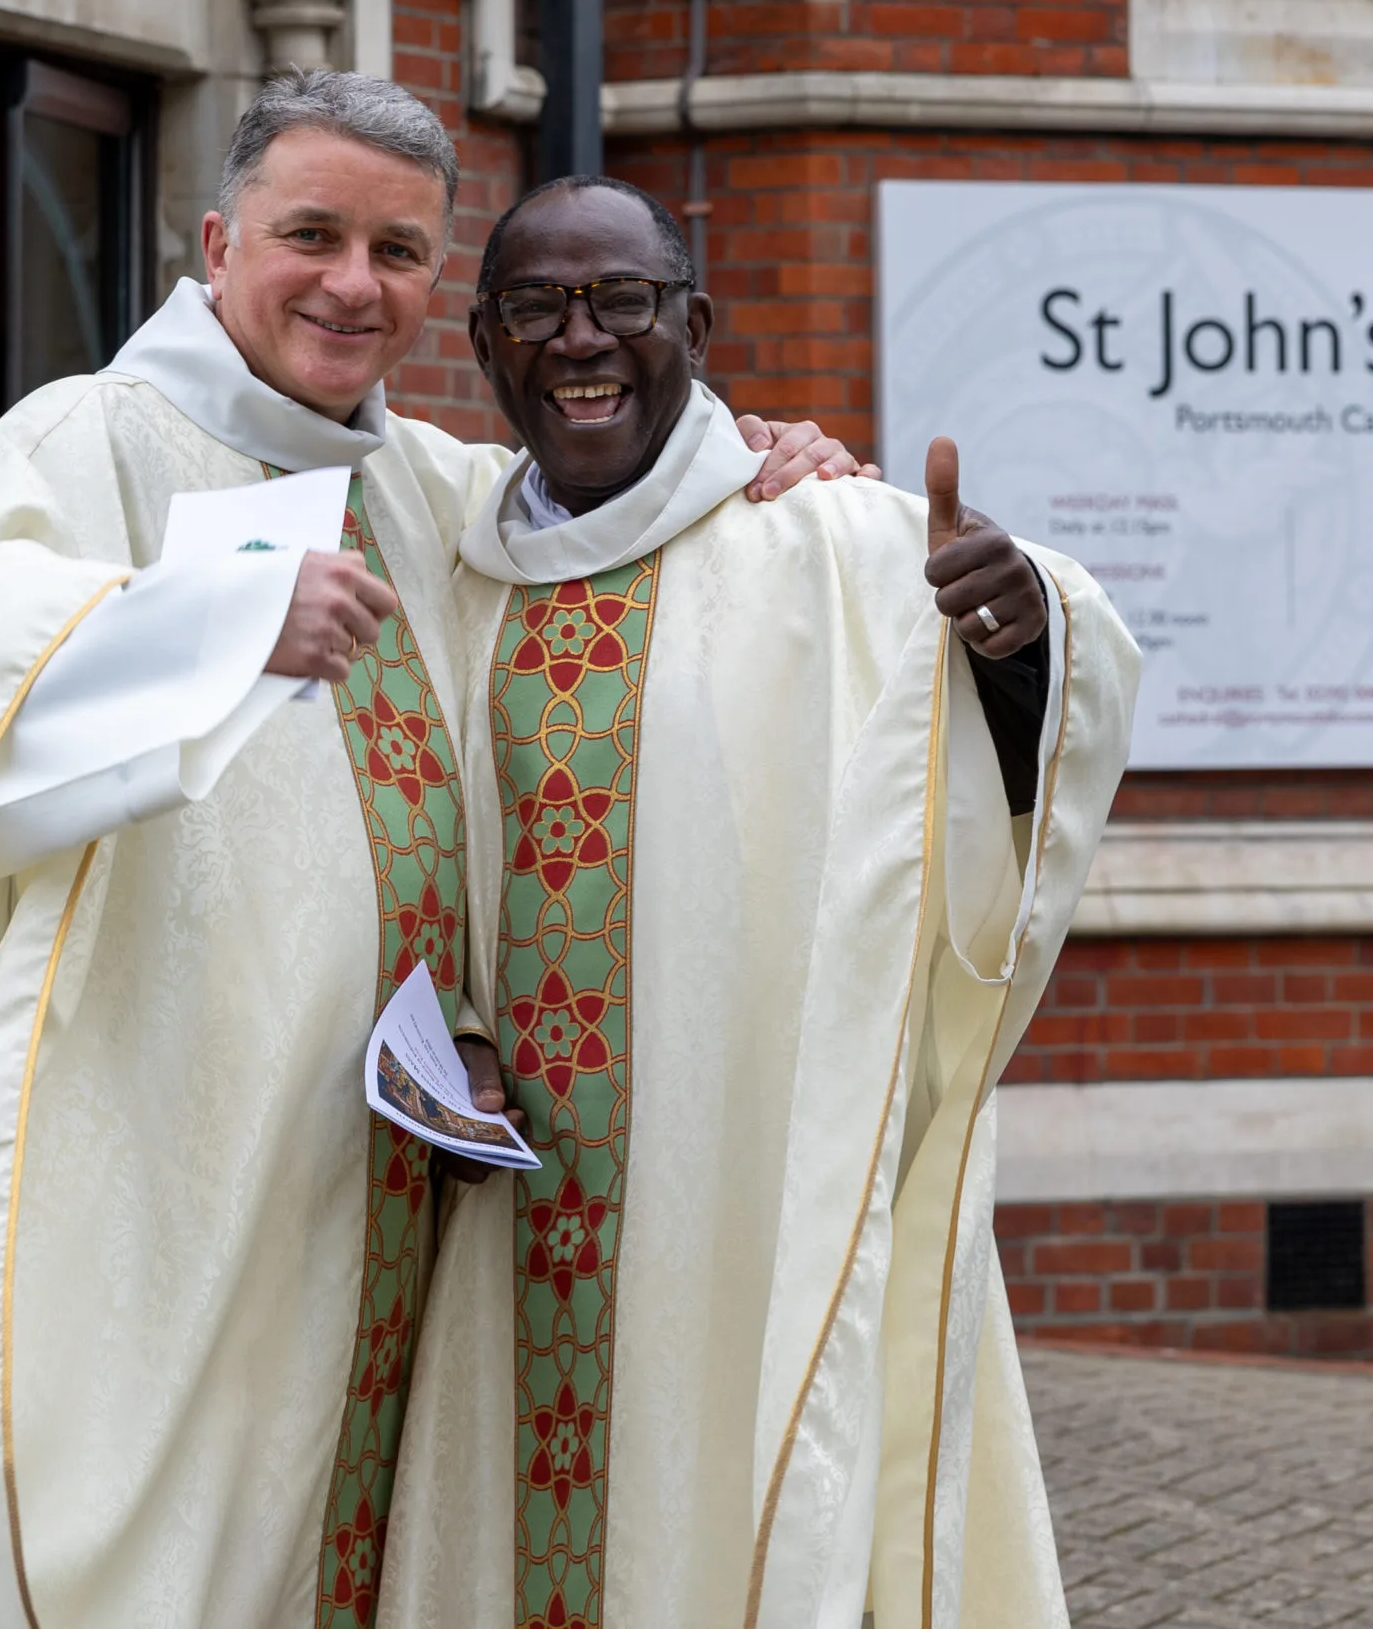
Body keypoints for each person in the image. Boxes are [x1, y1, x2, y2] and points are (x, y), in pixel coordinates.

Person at [0, 71, 865, 1628]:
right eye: (312, 235)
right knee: (186, 1560)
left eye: (399, 251)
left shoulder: (426, 485)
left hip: (385, 1164)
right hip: (176, 1171)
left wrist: (766, 462)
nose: (353, 285)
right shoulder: (97, 436)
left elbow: (613, 524)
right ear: (218, 242)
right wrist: (211, 623)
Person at [371, 177, 1139, 1629]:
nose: (581, 338)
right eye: (536, 306)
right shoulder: (453, 569)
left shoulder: (831, 539)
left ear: (699, 326)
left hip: (747, 1187)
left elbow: (1020, 726)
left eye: (625, 300)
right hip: (516, 1202)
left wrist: (1025, 634)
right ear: (481, 344)